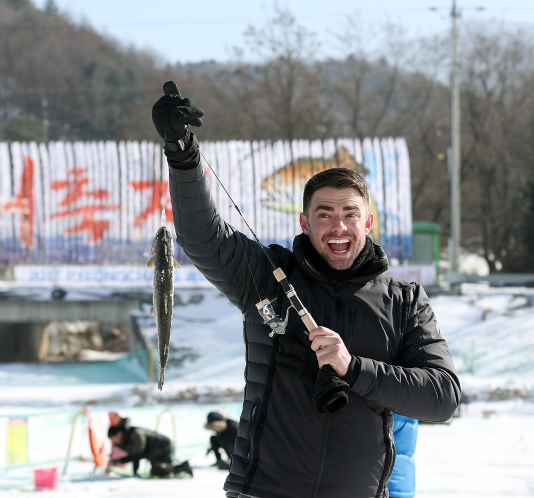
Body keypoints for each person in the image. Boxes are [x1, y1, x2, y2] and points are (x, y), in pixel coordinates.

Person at [151, 82, 460, 498]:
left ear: (368, 222)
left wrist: (353, 368)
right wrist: (182, 154)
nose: (338, 226)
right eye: (324, 214)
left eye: (350, 213)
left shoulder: (404, 302)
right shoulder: (267, 275)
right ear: (304, 222)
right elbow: (204, 238)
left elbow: (442, 397)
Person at [107, 417, 193, 478]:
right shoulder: (127, 437)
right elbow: (134, 454)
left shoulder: (135, 434)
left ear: (119, 434)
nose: (114, 441)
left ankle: (183, 467)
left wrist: (135, 472)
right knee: (156, 471)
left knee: (158, 472)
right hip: (158, 449)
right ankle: (180, 467)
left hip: (164, 446)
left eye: (113, 439)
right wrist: (119, 461)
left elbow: (137, 454)